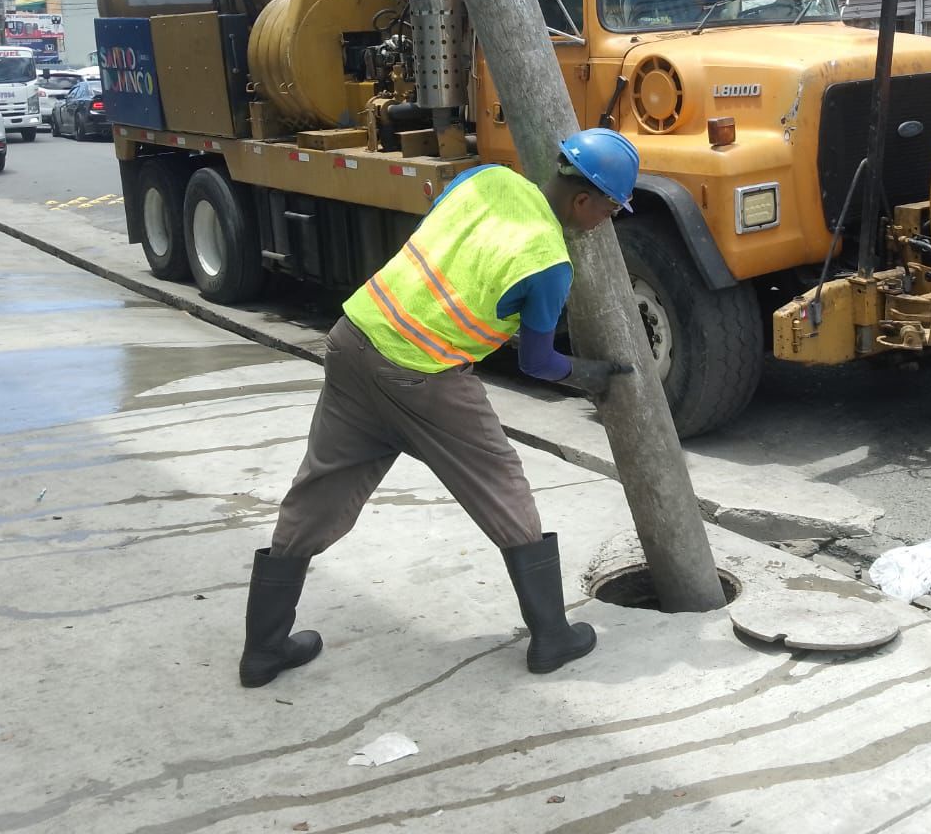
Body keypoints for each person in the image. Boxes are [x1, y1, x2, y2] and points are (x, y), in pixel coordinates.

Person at [238, 129, 641, 688]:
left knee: (321, 489)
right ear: (583, 200)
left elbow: (441, 237)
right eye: (611, 209)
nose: (608, 221)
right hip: (423, 374)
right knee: (502, 485)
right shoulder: (548, 261)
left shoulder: (489, 180)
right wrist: (588, 375)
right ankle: (552, 636)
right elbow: (537, 362)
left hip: (355, 337)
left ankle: (262, 649)